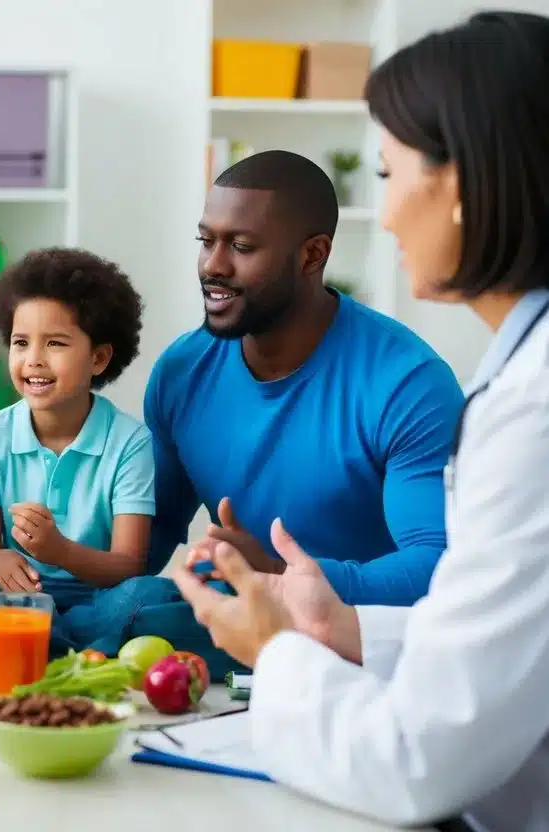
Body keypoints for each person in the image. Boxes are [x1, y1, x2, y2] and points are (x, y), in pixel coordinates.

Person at [173, 11, 549, 831]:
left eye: (385, 175)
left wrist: (275, 648)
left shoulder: (524, 410)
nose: (378, 216)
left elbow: (417, 763)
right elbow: (496, 636)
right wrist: (336, 621)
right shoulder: (520, 377)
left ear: (463, 184)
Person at [108, 149, 464, 677]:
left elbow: (437, 564)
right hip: (245, 621)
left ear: (312, 255)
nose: (214, 265)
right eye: (206, 241)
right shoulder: (182, 371)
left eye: (242, 247)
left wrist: (278, 573)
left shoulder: (407, 383)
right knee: (134, 603)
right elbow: (142, 540)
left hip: (368, 640)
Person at [0, 248, 156, 654]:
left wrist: (59, 551)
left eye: (55, 344)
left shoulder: (130, 442)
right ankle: (74, 650)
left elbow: (129, 564)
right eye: (21, 342)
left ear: (98, 358)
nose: (33, 360)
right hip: (19, 595)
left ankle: (22, 647)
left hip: (98, 598)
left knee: (147, 595)